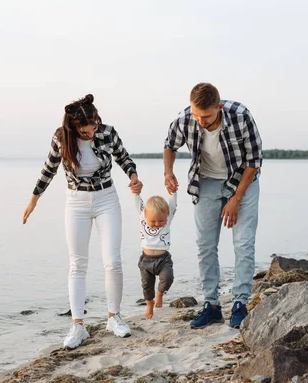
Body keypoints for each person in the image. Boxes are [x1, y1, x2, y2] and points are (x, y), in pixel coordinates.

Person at [22, 94, 143, 349]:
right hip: (76, 202)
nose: (91, 133)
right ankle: (78, 326)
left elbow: (124, 158)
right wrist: (34, 199)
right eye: (86, 131)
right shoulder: (61, 138)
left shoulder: (107, 133)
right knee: (77, 264)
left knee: (113, 260)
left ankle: (114, 317)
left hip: (107, 198)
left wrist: (133, 176)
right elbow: (49, 168)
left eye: (94, 127)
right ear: (74, 126)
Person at [163, 83, 262, 329]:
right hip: (206, 181)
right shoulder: (186, 118)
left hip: (243, 181)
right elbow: (170, 144)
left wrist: (235, 199)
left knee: (243, 243)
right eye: (196, 115)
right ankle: (212, 305)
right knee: (205, 245)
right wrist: (168, 172)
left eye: (205, 116)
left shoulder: (241, 116)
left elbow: (254, 161)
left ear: (218, 107)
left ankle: (240, 302)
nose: (200, 121)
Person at [134, 192, 177, 319]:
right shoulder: (143, 217)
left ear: (167, 217)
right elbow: (138, 203)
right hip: (146, 261)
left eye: (161, 220)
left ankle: (159, 294)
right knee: (146, 286)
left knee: (168, 278)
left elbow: (173, 205)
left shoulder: (168, 219)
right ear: (146, 216)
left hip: (163, 259)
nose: (157, 224)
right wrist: (136, 193)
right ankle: (149, 304)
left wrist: (173, 192)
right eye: (153, 221)